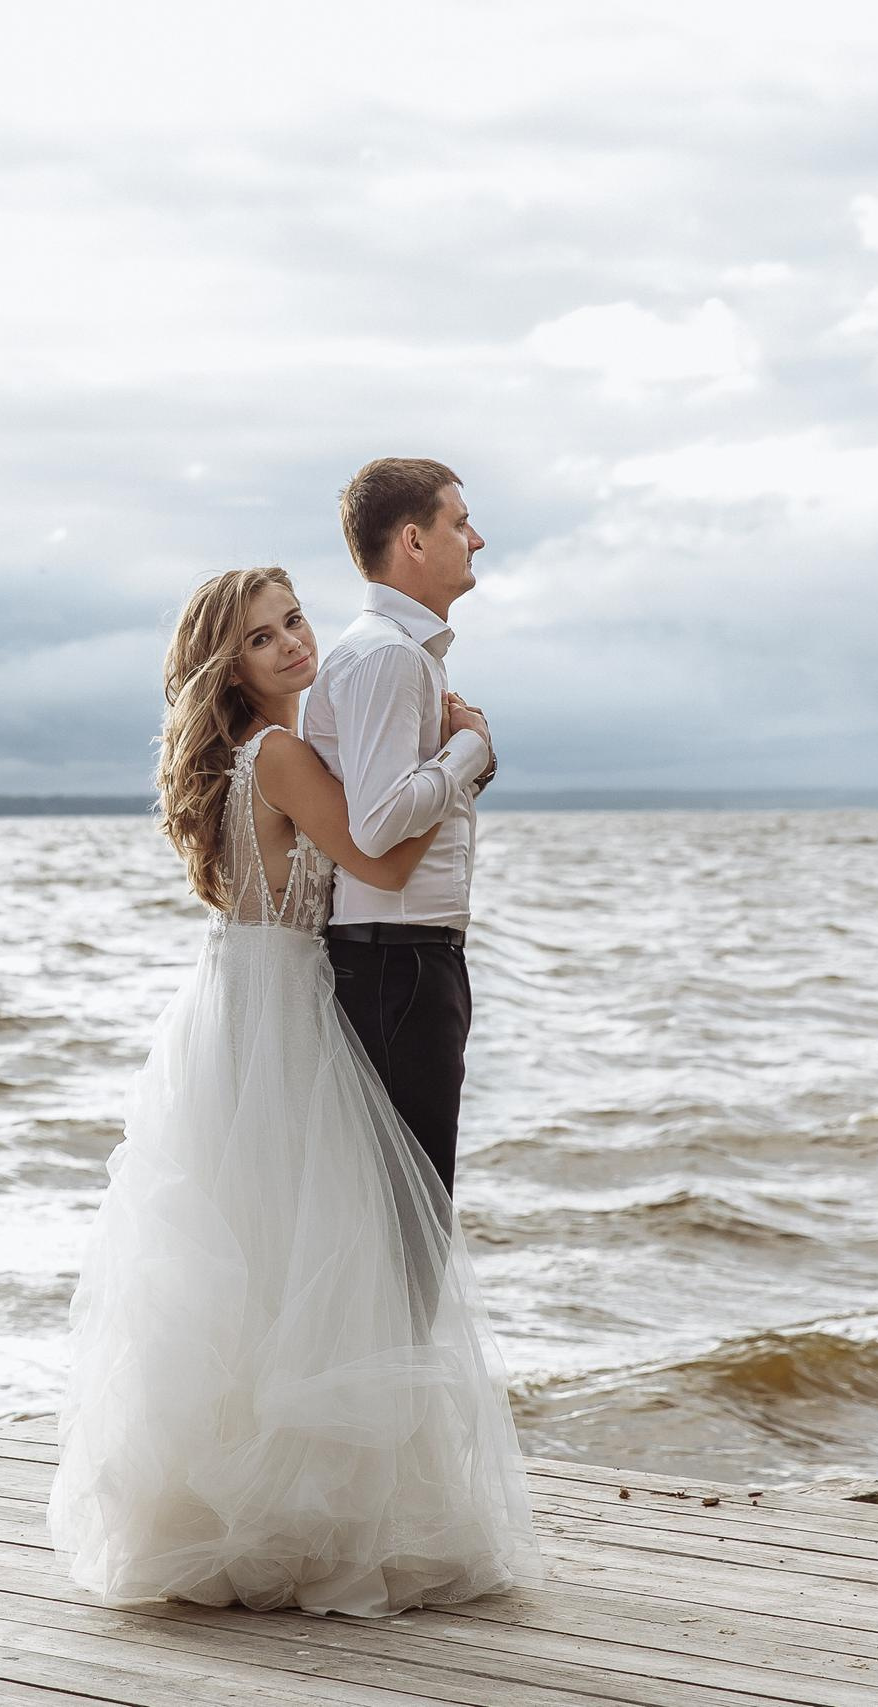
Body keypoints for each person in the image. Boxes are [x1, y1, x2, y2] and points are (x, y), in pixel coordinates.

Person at [46, 566, 542, 1618]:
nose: (293, 645)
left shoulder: (250, 754)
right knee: (314, 1253)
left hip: (233, 1001)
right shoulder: (273, 756)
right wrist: (466, 754)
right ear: (229, 667)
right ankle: (305, 1519)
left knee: (257, 1261)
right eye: (263, 639)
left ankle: (239, 1509)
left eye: (294, 620)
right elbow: (384, 858)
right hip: (282, 1011)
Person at [303, 458, 492, 1200]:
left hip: (407, 963)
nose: (476, 539)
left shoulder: (398, 653)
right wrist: (471, 750)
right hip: (399, 966)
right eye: (459, 521)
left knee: (406, 1219)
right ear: (413, 540)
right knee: (410, 1227)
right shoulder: (387, 656)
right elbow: (378, 824)